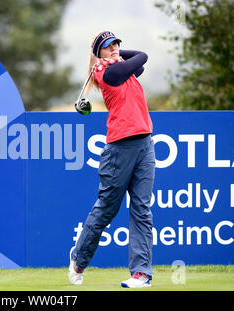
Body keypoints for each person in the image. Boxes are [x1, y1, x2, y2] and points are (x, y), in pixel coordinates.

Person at [68, 31, 156, 288]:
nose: (116, 48)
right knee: (107, 209)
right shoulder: (108, 74)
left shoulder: (120, 68)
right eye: (109, 46)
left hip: (145, 145)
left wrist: (110, 55)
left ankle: (141, 273)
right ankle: (79, 259)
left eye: (117, 44)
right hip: (119, 149)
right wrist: (103, 60)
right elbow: (143, 56)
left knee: (142, 209)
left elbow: (137, 61)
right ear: (98, 52)